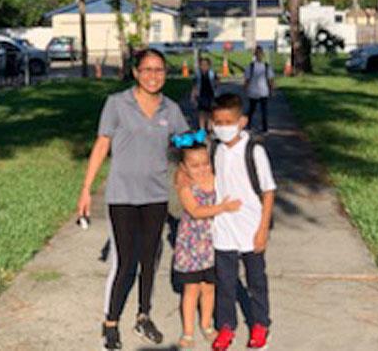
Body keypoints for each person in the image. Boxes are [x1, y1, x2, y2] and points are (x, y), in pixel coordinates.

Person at [76, 49, 189, 351]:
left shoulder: (171, 109)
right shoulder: (117, 104)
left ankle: (143, 315)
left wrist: (204, 142)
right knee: (126, 262)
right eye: (148, 70)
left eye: (160, 70)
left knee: (149, 260)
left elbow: (184, 143)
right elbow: (102, 145)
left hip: (155, 197)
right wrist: (86, 189)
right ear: (136, 72)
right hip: (122, 196)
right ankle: (110, 322)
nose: (154, 76)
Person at [209, 93, 277, 351]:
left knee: (256, 280)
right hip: (223, 228)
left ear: (242, 121)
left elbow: (268, 191)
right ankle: (226, 326)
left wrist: (263, 230)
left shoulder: (254, 150)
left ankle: (260, 323)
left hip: (250, 228)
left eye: (228, 121)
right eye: (218, 122)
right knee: (225, 282)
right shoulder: (214, 149)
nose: (223, 127)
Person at [171, 130, 241, 349]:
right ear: (183, 168)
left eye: (205, 163)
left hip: (213, 243)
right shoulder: (185, 186)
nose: (201, 169)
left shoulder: (215, 178)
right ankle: (188, 331)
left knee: (209, 287)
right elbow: (196, 211)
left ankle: (207, 324)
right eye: (194, 165)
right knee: (191, 289)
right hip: (192, 245)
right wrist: (223, 208)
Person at [244, 46, 274, 134]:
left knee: (253, 110)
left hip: (258, 91)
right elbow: (270, 80)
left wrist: (245, 89)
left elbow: (247, 79)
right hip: (258, 91)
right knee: (259, 110)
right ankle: (263, 128)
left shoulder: (258, 66)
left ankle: (253, 126)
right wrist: (271, 90)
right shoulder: (255, 66)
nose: (259, 55)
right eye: (258, 54)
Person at [191, 57, 219, 130]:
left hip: (211, 94)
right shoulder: (197, 74)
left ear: (209, 65)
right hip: (201, 95)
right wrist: (193, 96)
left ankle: (209, 128)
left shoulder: (212, 74)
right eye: (202, 64)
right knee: (202, 113)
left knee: (210, 112)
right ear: (200, 66)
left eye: (206, 64)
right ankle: (202, 128)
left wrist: (217, 84)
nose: (204, 66)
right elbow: (194, 86)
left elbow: (217, 84)